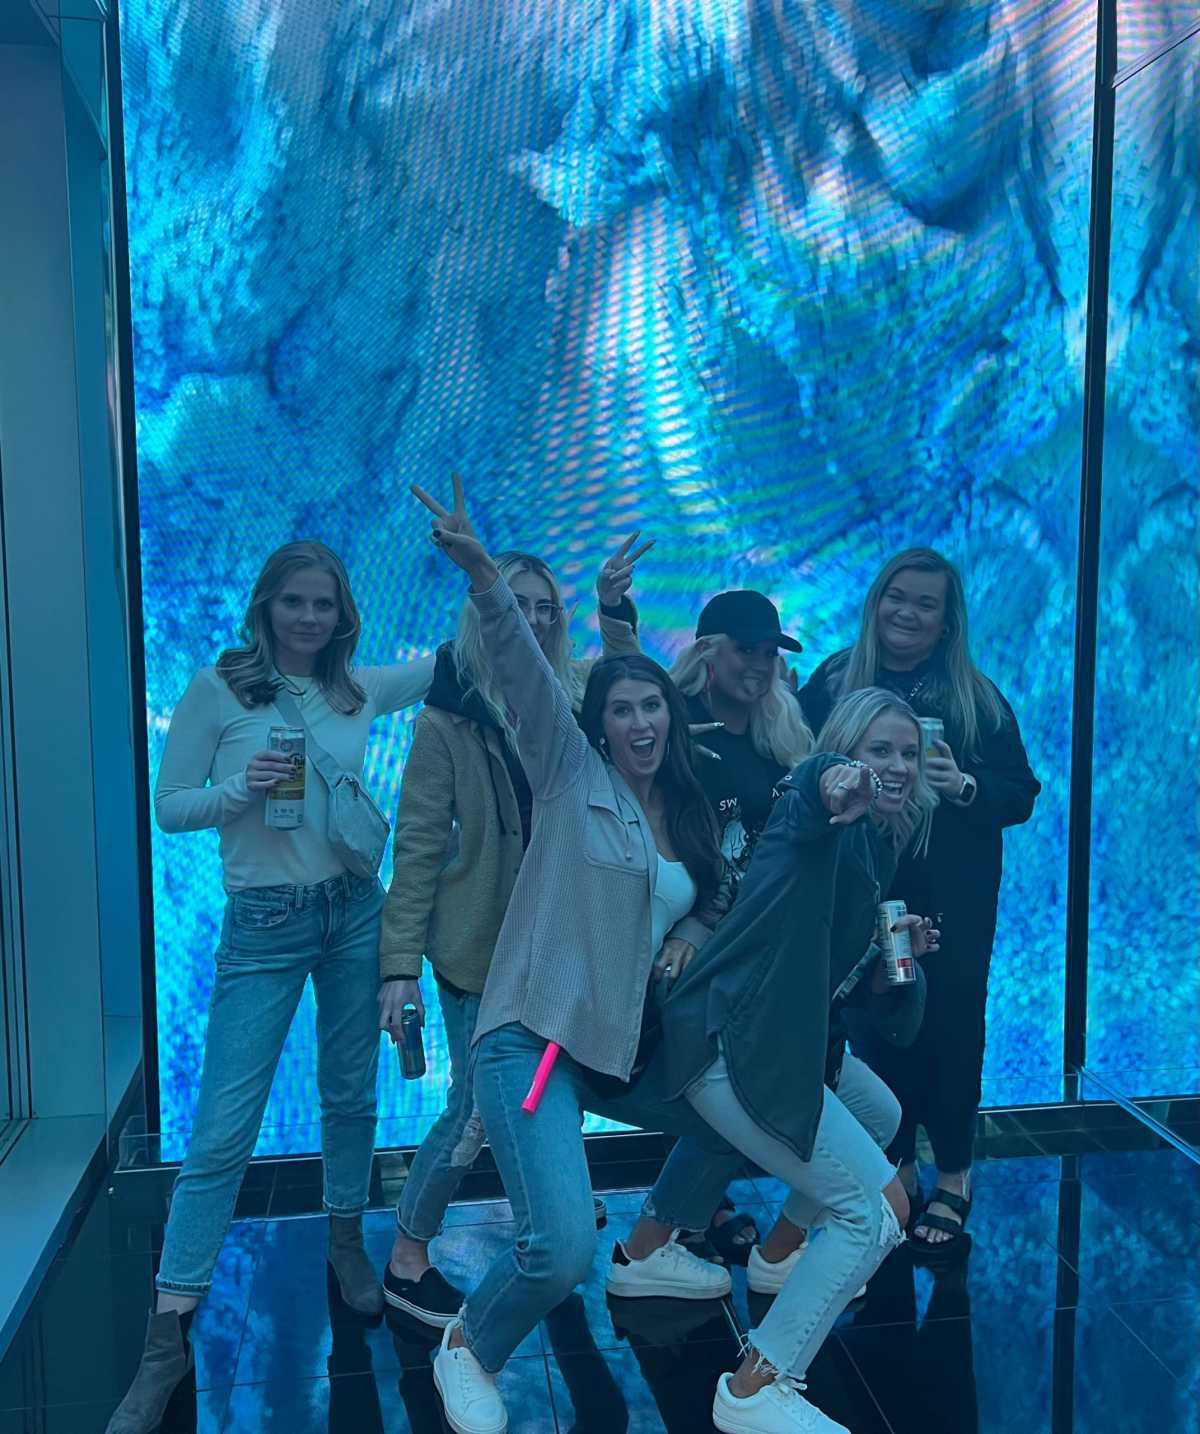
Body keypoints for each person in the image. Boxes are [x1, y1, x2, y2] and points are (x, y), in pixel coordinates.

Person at [412, 475, 756, 1434]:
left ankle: (649, 1247)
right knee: (559, 1250)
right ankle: (468, 1345)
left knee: (749, 1116)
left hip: (621, 1048)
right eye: (622, 710)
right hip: (533, 1044)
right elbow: (525, 675)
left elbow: (710, 896)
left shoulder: (683, 807)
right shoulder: (569, 777)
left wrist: (689, 935)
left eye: (654, 708)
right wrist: (484, 574)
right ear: (595, 724)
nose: (641, 722)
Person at [106, 541, 435, 1434]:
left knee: (349, 1096)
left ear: (343, 614)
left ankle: (344, 1241)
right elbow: (169, 806)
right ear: (265, 607)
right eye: (294, 602)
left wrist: (490, 577)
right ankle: (166, 1338)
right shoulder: (219, 688)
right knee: (222, 1131)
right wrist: (236, 792)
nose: (309, 618)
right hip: (263, 924)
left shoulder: (357, 688)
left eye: (324, 604)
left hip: (354, 912)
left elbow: (458, 660)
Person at [619, 686, 939, 1433]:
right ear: (845, 753)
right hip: (735, 1045)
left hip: (775, 1046)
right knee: (873, 1213)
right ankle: (753, 1388)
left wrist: (892, 965)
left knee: (880, 1141)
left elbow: (826, 974)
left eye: (908, 754)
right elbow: (808, 794)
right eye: (878, 751)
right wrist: (835, 779)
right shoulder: (822, 810)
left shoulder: (875, 847)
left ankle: (775, 1269)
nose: (895, 766)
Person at [375, 541, 646, 1326]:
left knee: (557, 1081)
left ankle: (556, 1203)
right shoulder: (448, 717)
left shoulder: (572, 694)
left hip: (565, 939)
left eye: (544, 607)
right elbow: (418, 847)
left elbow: (633, 687)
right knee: (472, 1112)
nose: (530, 619)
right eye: (516, 604)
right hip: (483, 949)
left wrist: (615, 609)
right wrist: (399, 966)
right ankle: (407, 1251)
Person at [798, 548, 1040, 1251]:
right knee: (875, 1025)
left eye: (925, 603)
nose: (907, 612)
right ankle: (896, 1165)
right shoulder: (835, 680)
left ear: (947, 621)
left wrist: (962, 786)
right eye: (896, 597)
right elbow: (795, 761)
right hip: (865, 890)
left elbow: (1021, 795)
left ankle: (955, 1172)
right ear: (876, 601)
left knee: (952, 1029)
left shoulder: (976, 698)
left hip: (953, 900)